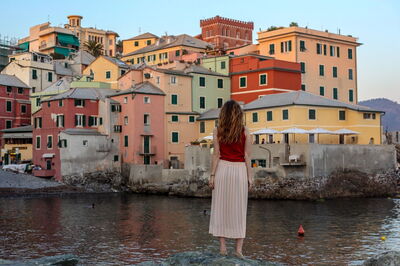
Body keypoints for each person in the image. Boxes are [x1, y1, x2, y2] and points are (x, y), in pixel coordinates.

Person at [208, 100, 253, 258]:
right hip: (239, 169)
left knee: (221, 207)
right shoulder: (245, 130)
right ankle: (239, 250)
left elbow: (216, 155)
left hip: (222, 170)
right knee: (239, 209)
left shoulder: (217, 131)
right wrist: (250, 177)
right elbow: (247, 155)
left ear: (223, 115)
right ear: (238, 114)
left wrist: (212, 175)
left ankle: (222, 248)